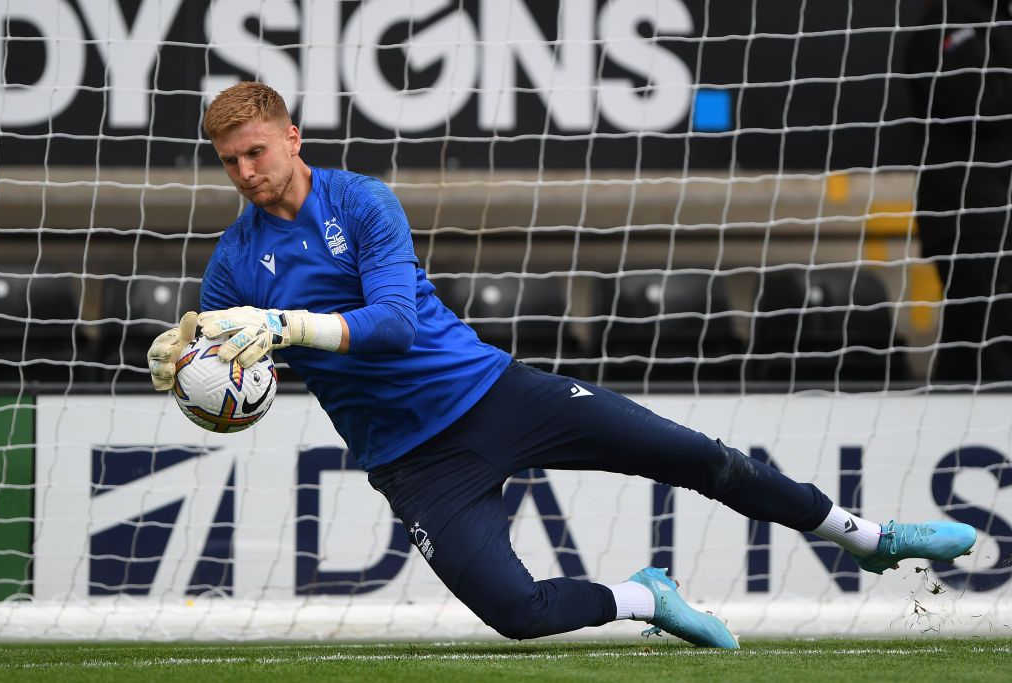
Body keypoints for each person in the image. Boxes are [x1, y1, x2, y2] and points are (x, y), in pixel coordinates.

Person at [148, 82, 976, 648]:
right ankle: (646, 597)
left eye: (257, 151)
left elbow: (395, 326)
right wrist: (193, 365)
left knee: (698, 456)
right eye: (230, 161)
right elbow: (244, 374)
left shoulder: (362, 201)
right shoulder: (233, 262)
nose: (247, 174)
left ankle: (867, 535)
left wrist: (285, 325)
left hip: (495, 394)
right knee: (516, 612)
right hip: (411, 461)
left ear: (293, 137)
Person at [905, 0, 1012, 383]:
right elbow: (974, 98)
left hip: (997, 212)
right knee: (990, 344)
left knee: (970, 350)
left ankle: (950, 434)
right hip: (971, 216)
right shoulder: (950, 17)